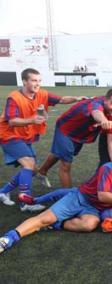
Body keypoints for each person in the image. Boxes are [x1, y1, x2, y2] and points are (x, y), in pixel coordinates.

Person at [0, 146, 112, 254]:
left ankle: (57, 224)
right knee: (43, 218)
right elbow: (103, 195)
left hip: (94, 210)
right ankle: (9, 237)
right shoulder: (109, 168)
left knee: (89, 225)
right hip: (80, 198)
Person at [0, 68, 87, 211]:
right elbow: (12, 121)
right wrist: (32, 120)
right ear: (24, 82)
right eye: (34, 80)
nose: (37, 84)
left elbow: (61, 99)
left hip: (24, 136)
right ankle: (25, 202)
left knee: (33, 169)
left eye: (39, 80)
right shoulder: (14, 97)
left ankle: (3, 192)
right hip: (9, 135)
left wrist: (76, 98)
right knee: (28, 165)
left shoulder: (42, 94)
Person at [37, 89, 112, 188]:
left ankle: (42, 171)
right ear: (105, 100)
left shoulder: (111, 104)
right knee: (66, 163)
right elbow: (96, 112)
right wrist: (103, 120)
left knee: (60, 152)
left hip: (80, 134)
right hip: (66, 130)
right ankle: (67, 195)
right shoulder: (97, 104)